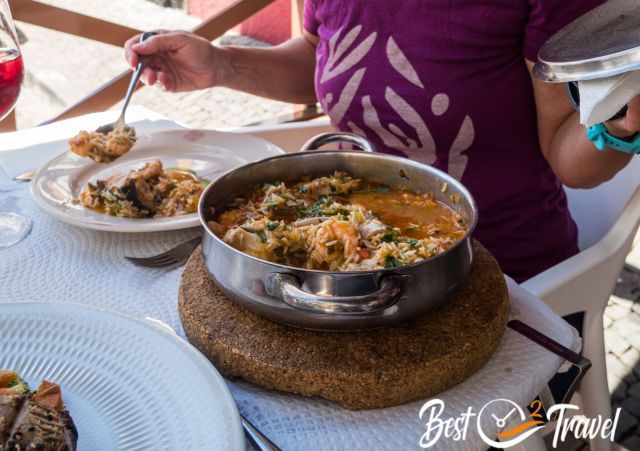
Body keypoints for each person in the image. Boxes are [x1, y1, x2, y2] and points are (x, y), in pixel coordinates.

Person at [125, 0, 640, 283]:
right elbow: (320, 58)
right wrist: (221, 63)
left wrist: (620, 123)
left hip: (492, 271)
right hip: (343, 260)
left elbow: (569, 156)